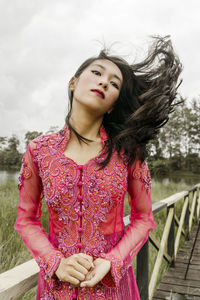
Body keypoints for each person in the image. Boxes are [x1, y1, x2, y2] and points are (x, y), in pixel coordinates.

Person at [15, 35, 182, 300]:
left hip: (114, 288)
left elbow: (143, 218)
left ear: (113, 103)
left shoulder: (128, 152)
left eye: (114, 83)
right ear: (73, 83)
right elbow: (26, 219)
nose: (104, 81)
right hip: (57, 289)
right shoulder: (39, 150)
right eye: (96, 72)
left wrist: (112, 261)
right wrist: (55, 263)